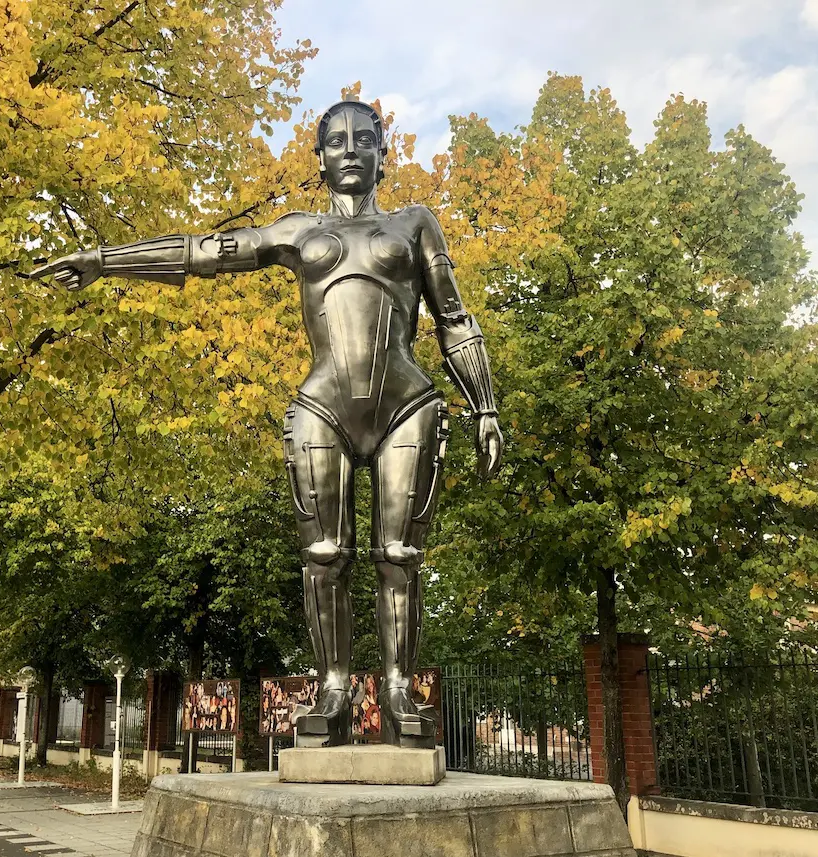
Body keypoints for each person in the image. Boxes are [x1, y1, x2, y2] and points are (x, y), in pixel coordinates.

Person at [33, 99, 503, 748]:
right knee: (323, 555)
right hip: (323, 407)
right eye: (334, 140)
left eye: (363, 139)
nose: (348, 148)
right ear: (318, 157)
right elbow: (203, 252)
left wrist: (485, 405)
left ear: (381, 155)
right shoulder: (295, 232)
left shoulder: (415, 226)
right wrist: (103, 260)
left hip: (408, 405)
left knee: (400, 556)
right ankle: (334, 687)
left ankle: (397, 690)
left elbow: (454, 320)